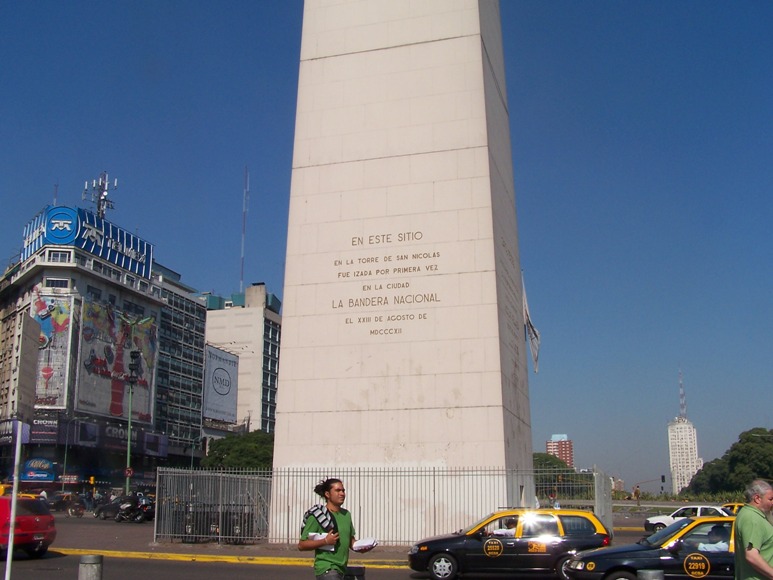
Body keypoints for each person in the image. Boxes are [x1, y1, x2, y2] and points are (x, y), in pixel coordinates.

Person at [299, 478, 373, 579]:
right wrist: (325, 541)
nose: (342, 493)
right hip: (327, 569)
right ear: (327, 494)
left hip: (342, 569)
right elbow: (302, 545)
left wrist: (363, 547)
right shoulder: (318, 516)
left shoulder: (346, 515)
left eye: (343, 490)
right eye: (338, 490)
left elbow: (351, 542)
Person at [734, 479, 773, 580]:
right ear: (757, 498)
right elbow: (752, 555)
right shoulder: (752, 519)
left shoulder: (750, 514)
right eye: (770, 499)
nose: (772, 503)